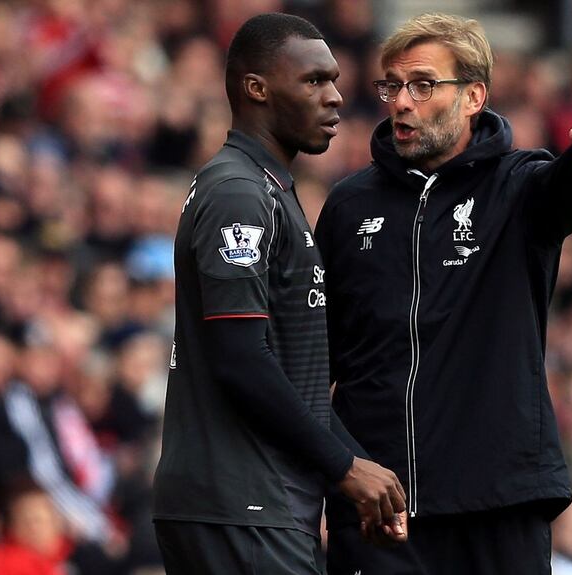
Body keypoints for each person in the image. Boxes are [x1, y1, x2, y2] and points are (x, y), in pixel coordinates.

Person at [315, 13, 572, 575]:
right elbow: (314, 360)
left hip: (498, 505)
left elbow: (566, 193)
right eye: (392, 86)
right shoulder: (348, 207)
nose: (401, 101)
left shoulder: (520, 186)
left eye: (423, 85)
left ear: (473, 95)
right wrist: (343, 467)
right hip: (383, 513)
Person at [151, 13, 406, 575]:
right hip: (240, 505)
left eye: (334, 80)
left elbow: (299, 380)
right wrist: (343, 467)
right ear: (257, 88)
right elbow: (240, 359)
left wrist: (358, 470)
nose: (336, 97)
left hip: (253, 505)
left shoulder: (266, 189)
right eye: (314, 81)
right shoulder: (239, 192)